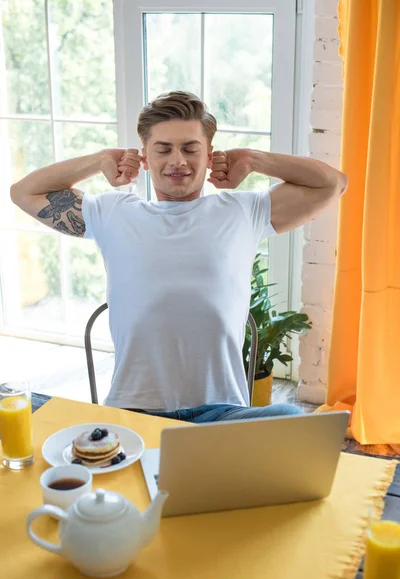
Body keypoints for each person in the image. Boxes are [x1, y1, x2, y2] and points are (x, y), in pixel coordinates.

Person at [10, 91, 348, 424]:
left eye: (190, 148)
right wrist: (100, 160)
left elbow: (332, 183)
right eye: (163, 149)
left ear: (209, 155)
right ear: (144, 156)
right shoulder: (112, 213)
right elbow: (24, 192)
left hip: (221, 411)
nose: (178, 161)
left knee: (290, 417)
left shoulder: (244, 211)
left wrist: (254, 159)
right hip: (133, 411)